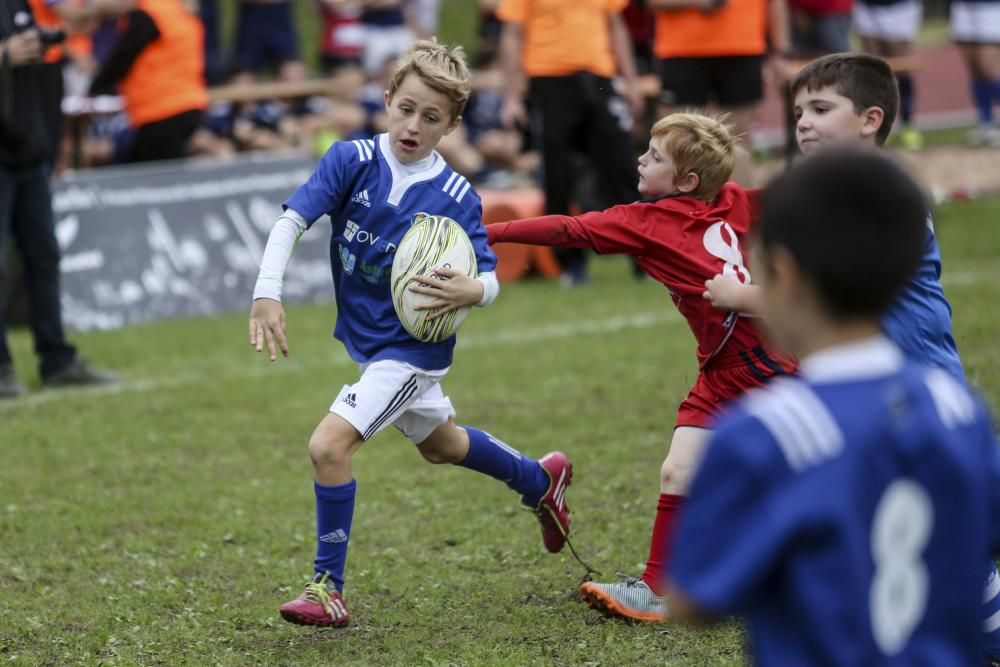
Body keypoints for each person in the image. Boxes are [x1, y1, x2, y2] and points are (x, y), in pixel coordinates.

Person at [248, 39, 573, 628]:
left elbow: (489, 276)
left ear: (452, 125)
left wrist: (475, 290)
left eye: (431, 118)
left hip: (409, 351)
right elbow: (291, 220)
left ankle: (328, 588)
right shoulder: (351, 161)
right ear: (388, 99)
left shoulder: (455, 197)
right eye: (406, 109)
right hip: (373, 344)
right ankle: (540, 479)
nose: (413, 126)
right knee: (440, 445)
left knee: (328, 446)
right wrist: (266, 292)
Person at [703, 51, 1000, 663]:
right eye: (797, 112)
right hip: (867, 388)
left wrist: (740, 293)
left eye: (820, 109)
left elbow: (827, 288)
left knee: (934, 534)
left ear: (871, 119)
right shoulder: (841, 194)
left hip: (907, 384)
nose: (803, 123)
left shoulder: (875, 196)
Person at [486, 112, 796, 621]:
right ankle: (657, 589)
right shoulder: (730, 200)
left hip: (765, 364)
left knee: (802, 471)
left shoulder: (648, 223)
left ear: (686, 182)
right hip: (720, 371)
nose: (640, 159)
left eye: (654, 157)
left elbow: (569, 228)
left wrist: (490, 228)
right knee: (678, 469)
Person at [0, 0, 117, 398]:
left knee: (45, 255)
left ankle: (57, 360)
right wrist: (4, 53)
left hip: (29, 150)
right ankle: (1, 370)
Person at [496, 0, 643, 286]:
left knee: (623, 168)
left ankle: (642, 256)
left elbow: (616, 26)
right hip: (549, 78)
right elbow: (512, 34)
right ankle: (570, 265)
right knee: (558, 176)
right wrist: (512, 96)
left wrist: (632, 82)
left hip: (599, 76)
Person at [649, 0, 791, 186]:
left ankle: (740, 205)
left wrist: (780, 52)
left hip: (743, 48)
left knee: (738, 140)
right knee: (677, 138)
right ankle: (679, 208)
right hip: (682, 51)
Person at [88, 0, 208, 163]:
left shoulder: (149, 15)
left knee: (158, 175)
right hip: (190, 101)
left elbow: (121, 58)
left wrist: (93, 89)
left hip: (161, 109)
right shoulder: (177, 9)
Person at [853, 0, 924, 148]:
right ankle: (878, 127)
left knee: (900, 67)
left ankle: (907, 125)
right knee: (872, 68)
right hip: (867, 7)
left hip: (899, 8)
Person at [950, 0, 1000, 146]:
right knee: (975, 70)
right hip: (963, 8)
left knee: (988, 70)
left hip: (989, 8)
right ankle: (986, 123)